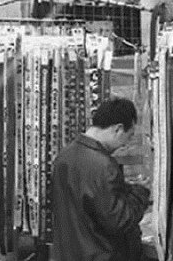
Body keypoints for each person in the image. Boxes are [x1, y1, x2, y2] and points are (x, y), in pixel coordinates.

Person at [51, 96, 151, 261]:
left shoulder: (64, 156)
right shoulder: (103, 165)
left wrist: (126, 189)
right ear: (118, 129)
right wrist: (140, 193)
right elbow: (119, 220)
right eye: (129, 136)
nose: (126, 144)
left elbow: (87, 205)